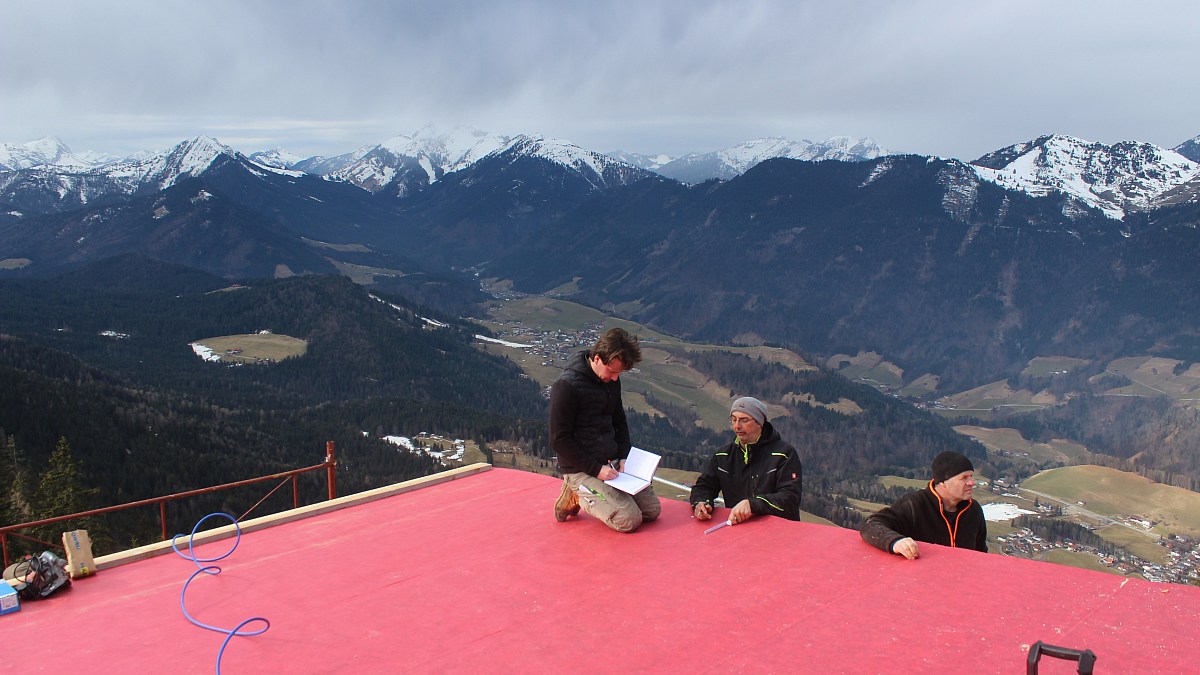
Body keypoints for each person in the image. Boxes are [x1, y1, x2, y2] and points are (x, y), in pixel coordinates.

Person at [549, 327, 661, 533]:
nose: (616, 378)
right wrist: (595, 470)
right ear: (598, 358)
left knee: (652, 511)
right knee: (629, 520)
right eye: (612, 371)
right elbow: (559, 439)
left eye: (620, 373)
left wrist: (624, 456)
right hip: (581, 468)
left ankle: (602, 494)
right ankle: (576, 493)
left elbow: (619, 420)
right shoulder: (566, 386)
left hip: (611, 462)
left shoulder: (611, 381)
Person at [689, 396, 803, 524]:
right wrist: (701, 502)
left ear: (759, 423)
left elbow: (790, 499)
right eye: (733, 419)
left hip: (779, 531)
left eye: (744, 420)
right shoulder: (723, 456)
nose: (737, 426)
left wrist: (752, 505)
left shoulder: (784, 455)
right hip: (739, 531)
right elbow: (704, 486)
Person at [860, 450, 988, 559]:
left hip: (962, 581)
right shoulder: (915, 505)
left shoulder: (974, 510)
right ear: (942, 482)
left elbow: (981, 553)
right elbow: (870, 525)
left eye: (971, 476)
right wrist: (895, 542)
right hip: (921, 582)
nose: (971, 482)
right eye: (964, 478)